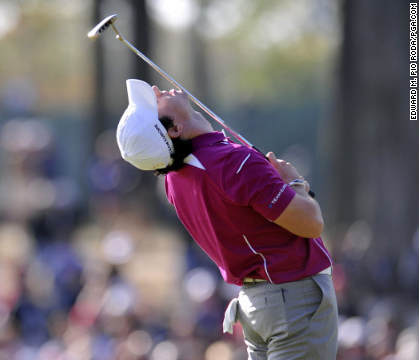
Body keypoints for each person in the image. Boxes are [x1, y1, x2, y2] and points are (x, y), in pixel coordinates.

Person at [116, 79, 338, 359]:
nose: (158, 91)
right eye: (155, 101)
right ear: (173, 129)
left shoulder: (175, 181)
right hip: (293, 301)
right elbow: (311, 224)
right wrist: (296, 183)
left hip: (257, 305)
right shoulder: (231, 163)